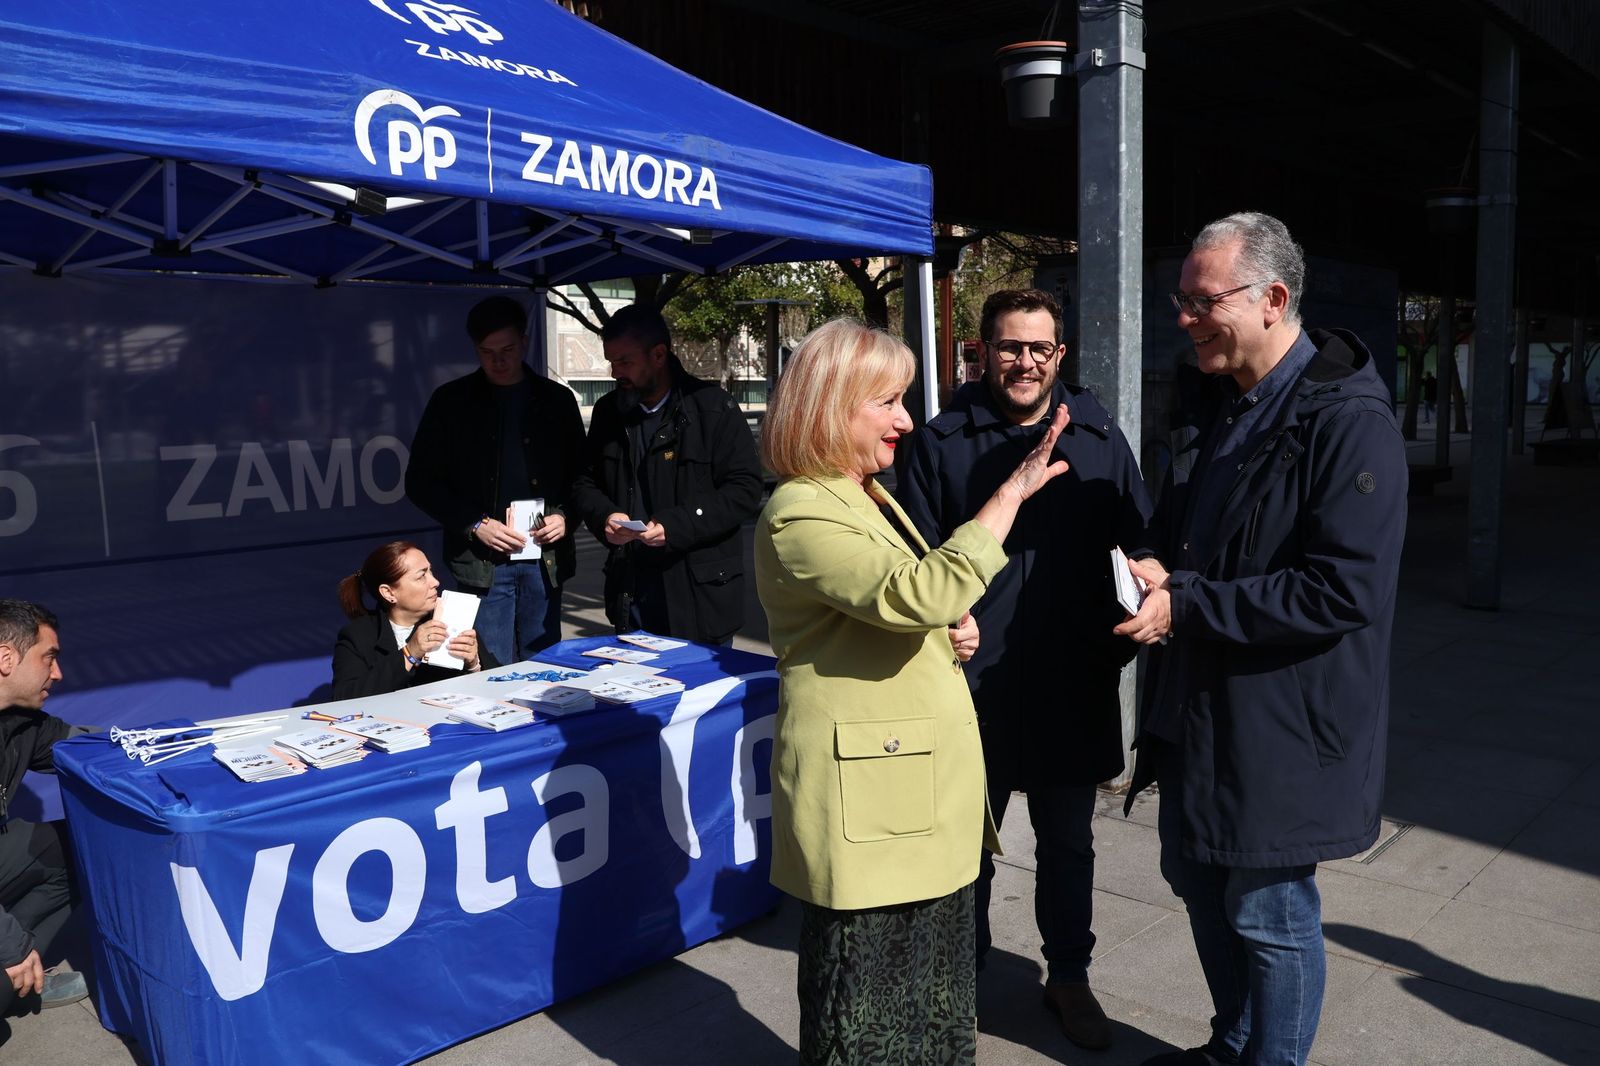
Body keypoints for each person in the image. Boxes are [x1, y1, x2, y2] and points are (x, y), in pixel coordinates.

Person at [1115, 212, 1406, 1066]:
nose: (1185, 318)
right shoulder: (1230, 404)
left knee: (1270, 916)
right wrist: (1157, 559)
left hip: (1285, 722)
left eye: (1203, 301)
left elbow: (1342, 588)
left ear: (1274, 300)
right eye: (1182, 301)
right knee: (1194, 876)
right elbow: (1205, 533)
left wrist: (1190, 605)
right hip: (1205, 707)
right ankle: (1234, 1040)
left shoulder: (1349, 423)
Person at [755, 318, 1071, 1065]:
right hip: (874, 813)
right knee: (867, 1024)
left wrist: (944, 636)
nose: (905, 419)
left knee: (930, 1014)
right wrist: (1012, 494)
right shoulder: (800, 508)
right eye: (888, 402)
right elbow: (913, 593)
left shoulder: (864, 493)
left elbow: (898, 613)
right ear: (832, 405)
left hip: (913, 798)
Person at [896, 288, 1151, 1050]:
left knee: (1069, 844)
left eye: (1041, 349)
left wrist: (1147, 585)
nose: (1026, 362)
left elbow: (1138, 536)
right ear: (983, 350)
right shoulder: (943, 441)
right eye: (1011, 347)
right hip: (973, 690)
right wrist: (942, 621)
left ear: (1060, 354)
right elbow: (910, 558)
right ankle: (958, 980)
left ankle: (1068, 978)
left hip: (1073, 682)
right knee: (966, 848)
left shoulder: (1099, 435)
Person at [405, 296, 585, 666]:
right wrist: (475, 523)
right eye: (486, 352)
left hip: (544, 561)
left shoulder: (558, 400)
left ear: (524, 341)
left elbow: (583, 478)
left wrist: (565, 517)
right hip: (481, 564)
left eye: (507, 349)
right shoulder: (451, 402)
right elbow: (420, 482)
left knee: (547, 669)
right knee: (485, 666)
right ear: (475, 349)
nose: (498, 361)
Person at [571, 304, 763, 644]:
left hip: (700, 597)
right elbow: (584, 482)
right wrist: (605, 516)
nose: (615, 372)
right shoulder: (607, 413)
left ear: (658, 355)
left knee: (702, 695)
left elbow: (745, 490)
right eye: (611, 362)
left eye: (625, 362)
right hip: (631, 593)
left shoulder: (713, 407)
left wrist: (675, 526)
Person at [0, 599, 88, 1014]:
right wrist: (11, 947)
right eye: (48, 658)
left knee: (79, 847)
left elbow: (88, 747)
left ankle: (23, 977)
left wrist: (186, 747)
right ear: (6, 657)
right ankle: (15, 969)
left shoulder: (20, 720)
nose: (58, 673)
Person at [331, 541, 496, 700]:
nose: (435, 582)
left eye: (430, 571)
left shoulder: (451, 618)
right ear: (389, 593)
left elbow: (501, 682)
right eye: (421, 576)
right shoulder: (357, 636)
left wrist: (474, 665)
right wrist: (410, 653)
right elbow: (345, 698)